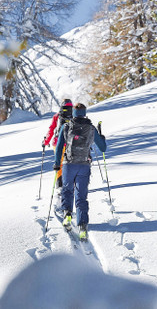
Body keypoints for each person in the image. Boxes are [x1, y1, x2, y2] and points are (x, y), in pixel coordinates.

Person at [52, 103, 107, 240]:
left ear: (74, 113)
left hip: (69, 165)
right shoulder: (91, 128)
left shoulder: (66, 127)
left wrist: (56, 164)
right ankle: (82, 226)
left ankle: (67, 216)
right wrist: (102, 137)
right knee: (81, 195)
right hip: (84, 165)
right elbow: (103, 148)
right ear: (85, 112)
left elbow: (59, 148)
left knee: (67, 190)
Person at [42, 99, 73, 190]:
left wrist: (45, 142)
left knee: (59, 162)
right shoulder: (74, 115)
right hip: (71, 143)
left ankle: (59, 184)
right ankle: (70, 184)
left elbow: (51, 129)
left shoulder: (57, 116)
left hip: (57, 142)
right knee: (70, 162)